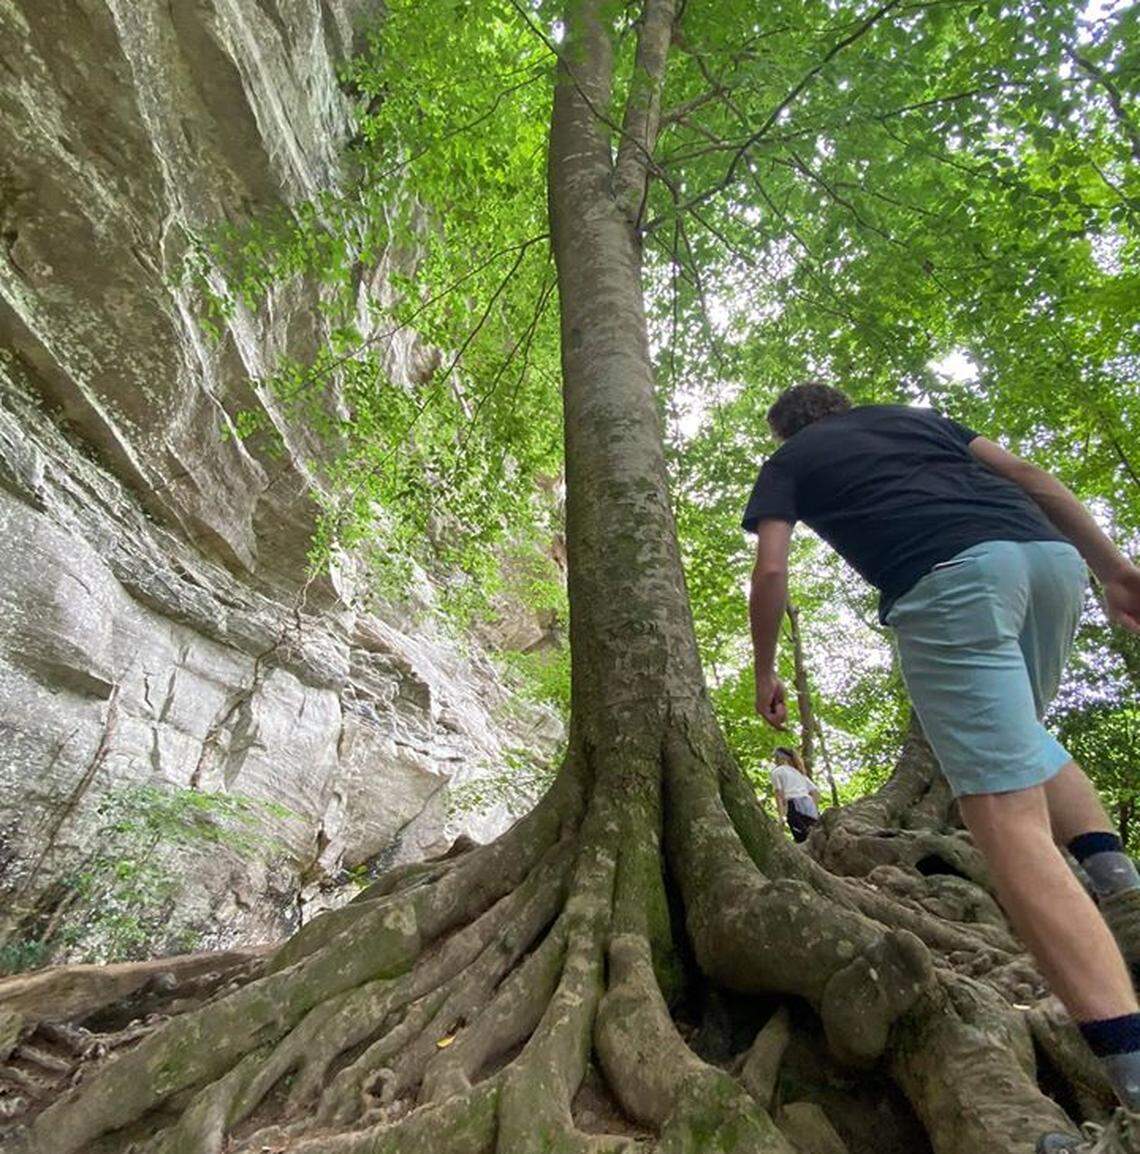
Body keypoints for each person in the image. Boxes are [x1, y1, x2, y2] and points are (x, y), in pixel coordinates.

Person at [742, 382, 1140, 1154]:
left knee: (1006, 828)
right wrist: (1114, 569)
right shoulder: (921, 423)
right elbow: (1036, 479)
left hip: (950, 581)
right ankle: (1116, 879)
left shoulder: (790, 459)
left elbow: (770, 572)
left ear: (786, 427)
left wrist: (765, 673)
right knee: (1020, 739)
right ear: (844, 404)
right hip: (1050, 564)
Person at [771, 746, 821, 842]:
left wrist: (781, 816)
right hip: (809, 806)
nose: (774, 760)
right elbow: (815, 792)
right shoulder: (799, 773)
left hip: (794, 805)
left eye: (775, 757)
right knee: (814, 836)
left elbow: (778, 794)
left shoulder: (777, 772)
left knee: (802, 837)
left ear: (780, 757)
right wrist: (814, 807)